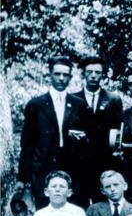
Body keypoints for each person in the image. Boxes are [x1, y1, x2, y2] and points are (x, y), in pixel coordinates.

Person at [15, 56, 90, 206]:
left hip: (72, 172)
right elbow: (27, 145)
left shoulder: (79, 104)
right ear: (50, 75)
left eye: (66, 75)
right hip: (43, 172)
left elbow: (88, 140)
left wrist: (81, 139)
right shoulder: (36, 105)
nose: (61, 78)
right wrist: (23, 178)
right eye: (57, 74)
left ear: (70, 77)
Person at [77, 56, 124, 202]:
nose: (93, 75)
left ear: (103, 75)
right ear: (83, 74)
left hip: (104, 163)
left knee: (103, 205)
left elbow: (117, 131)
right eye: (89, 71)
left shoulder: (113, 100)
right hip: (79, 163)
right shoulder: (73, 99)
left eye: (97, 72)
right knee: (79, 204)